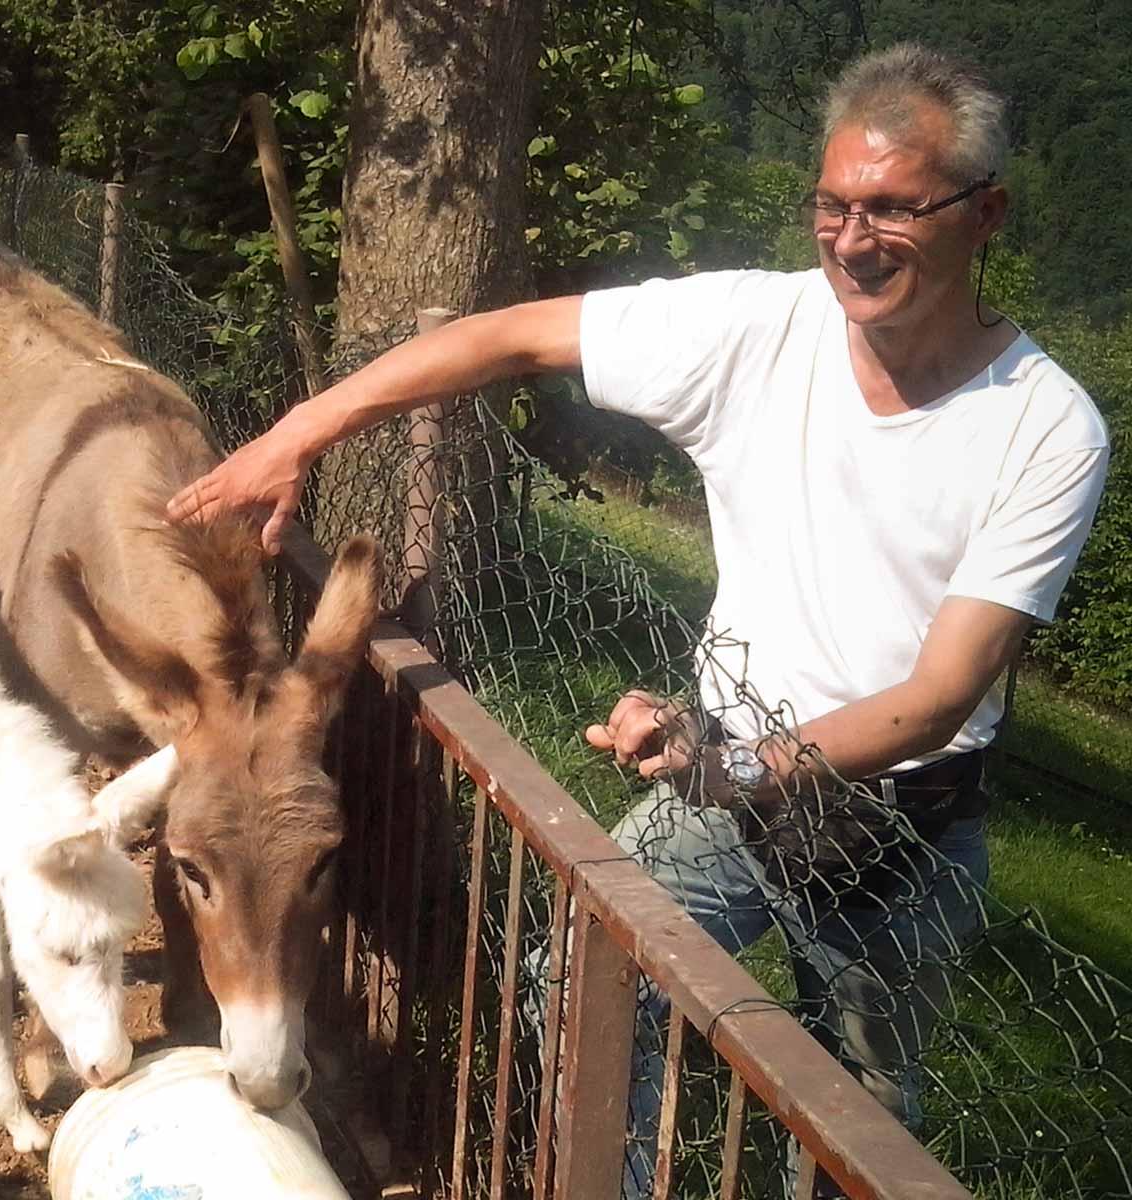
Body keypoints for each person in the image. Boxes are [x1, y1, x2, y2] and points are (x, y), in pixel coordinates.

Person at [167, 42, 1109, 1194]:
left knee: (852, 1124)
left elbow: (937, 696)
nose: (853, 241)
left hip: (902, 827)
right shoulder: (757, 329)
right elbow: (498, 338)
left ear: (985, 213)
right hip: (723, 768)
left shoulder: (1045, 428)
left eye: (893, 208)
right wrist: (295, 435)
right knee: (580, 993)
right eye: (831, 205)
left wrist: (743, 769)